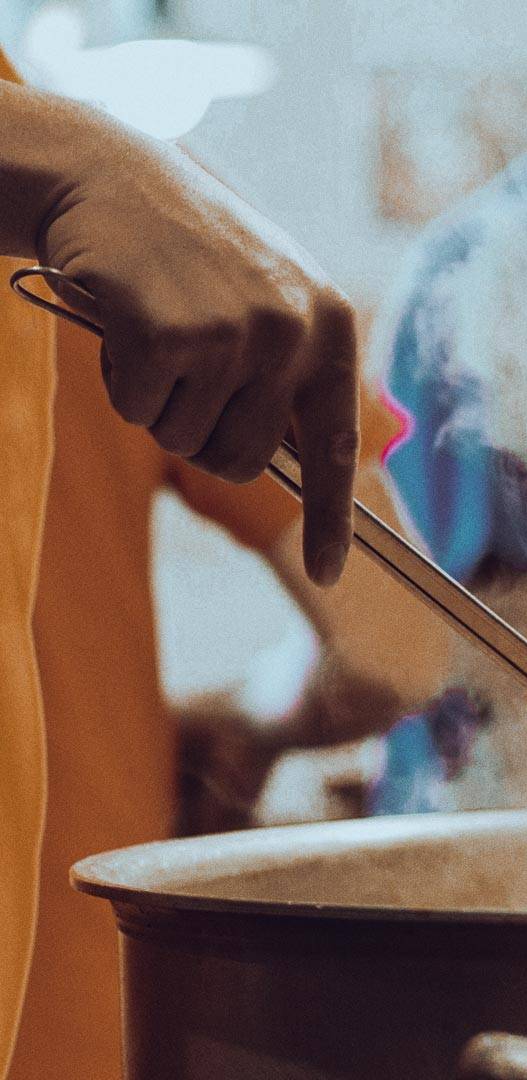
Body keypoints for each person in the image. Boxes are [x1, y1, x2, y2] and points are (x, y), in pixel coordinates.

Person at [0, 48, 454, 1078]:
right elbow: (404, 645)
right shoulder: (131, 212)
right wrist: (245, 720)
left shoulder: (106, 195)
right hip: (76, 1007)